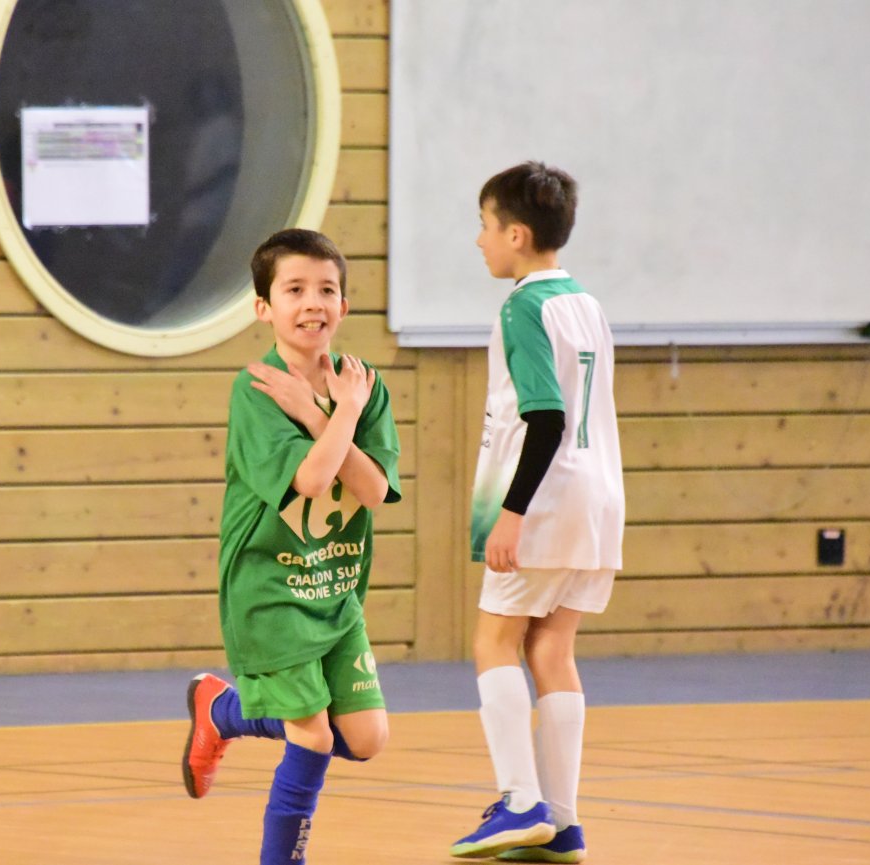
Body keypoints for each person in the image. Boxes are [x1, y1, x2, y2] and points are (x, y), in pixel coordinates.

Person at [181, 228, 401, 864]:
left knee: (365, 737)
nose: (313, 303)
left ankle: (222, 711)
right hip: (270, 593)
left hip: (334, 592)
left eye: (327, 290)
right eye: (295, 289)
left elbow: (372, 487)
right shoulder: (255, 389)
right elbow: (310, 479)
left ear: (344, 305)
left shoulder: (363, 386)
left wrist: (327, 411)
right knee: (311, 736)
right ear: (264, 307)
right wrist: (331, 415)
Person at [450, 162, 624, 863]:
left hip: (545, 499)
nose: (480, 240)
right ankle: (565, 821)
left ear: (516, 234)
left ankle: (520, 800)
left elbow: (545, 418)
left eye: (485, 226)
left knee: (493, 642)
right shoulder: (586, 302)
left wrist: (513, 511)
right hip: (599, 499)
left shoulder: (522, 307)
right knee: (552, 649)